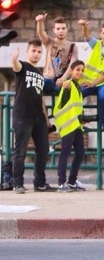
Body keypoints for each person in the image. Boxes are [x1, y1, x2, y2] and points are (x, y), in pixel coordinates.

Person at [10, 39, 57, 194]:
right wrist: (13, 58)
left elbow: (41, 97)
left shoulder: (39, 73)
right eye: (33, 51)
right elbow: (15, 66)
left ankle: (40, 183)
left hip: (39, 118)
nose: (36, 54)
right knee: (20, 151)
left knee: (43, 151)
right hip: (23, 116)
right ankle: (17, 183)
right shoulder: (23, 66)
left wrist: (47, 119)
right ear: (28, 52)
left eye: (39, 52)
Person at [78, 20, 104, 137]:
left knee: (102, 96)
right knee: (79, 93)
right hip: (90, 80)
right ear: (101, 34)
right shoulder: (96, 44)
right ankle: (80, 118)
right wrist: (84, 26)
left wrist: (93, 83)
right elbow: (87, 36)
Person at [53, 60, 87, 192]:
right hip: (68, 125)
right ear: (71, 71)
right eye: (77, 69)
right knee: (65, 153)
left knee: (80, 152)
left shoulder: (78, 87)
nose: (80, 72)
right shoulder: (69, 84)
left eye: (82, 70)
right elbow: (65, 85)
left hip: (76, 125)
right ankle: (61, 183)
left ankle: (72, 181)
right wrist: (64, 79)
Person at [35, 14, 78, 95]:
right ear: (54, 30)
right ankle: (42, 108)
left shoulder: (73, 46)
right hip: (47, 79)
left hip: (63, 81)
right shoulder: (49, 42)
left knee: (71, 91)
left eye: (63, 28)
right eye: (58, 28)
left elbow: (72, 65)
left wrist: (63, 78)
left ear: (67, 29)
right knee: (35, 89)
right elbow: (41, 32)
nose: (61, 31)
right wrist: (40, 22)